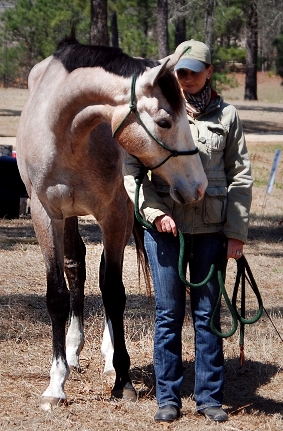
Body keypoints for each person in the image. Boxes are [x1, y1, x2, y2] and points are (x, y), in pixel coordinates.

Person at [123, 40, 252, 423]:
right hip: (166, 233)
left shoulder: (227, 117)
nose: (187, 77)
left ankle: (209, 397)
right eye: (181, 71)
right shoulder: (155, 113)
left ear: (210, 71)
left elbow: (241, 177)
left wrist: (237, 233)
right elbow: (132, 172)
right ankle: (168, 398)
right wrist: (154, 212)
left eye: (195, 70)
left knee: (207, 315)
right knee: (168, 315)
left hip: (212, 231)